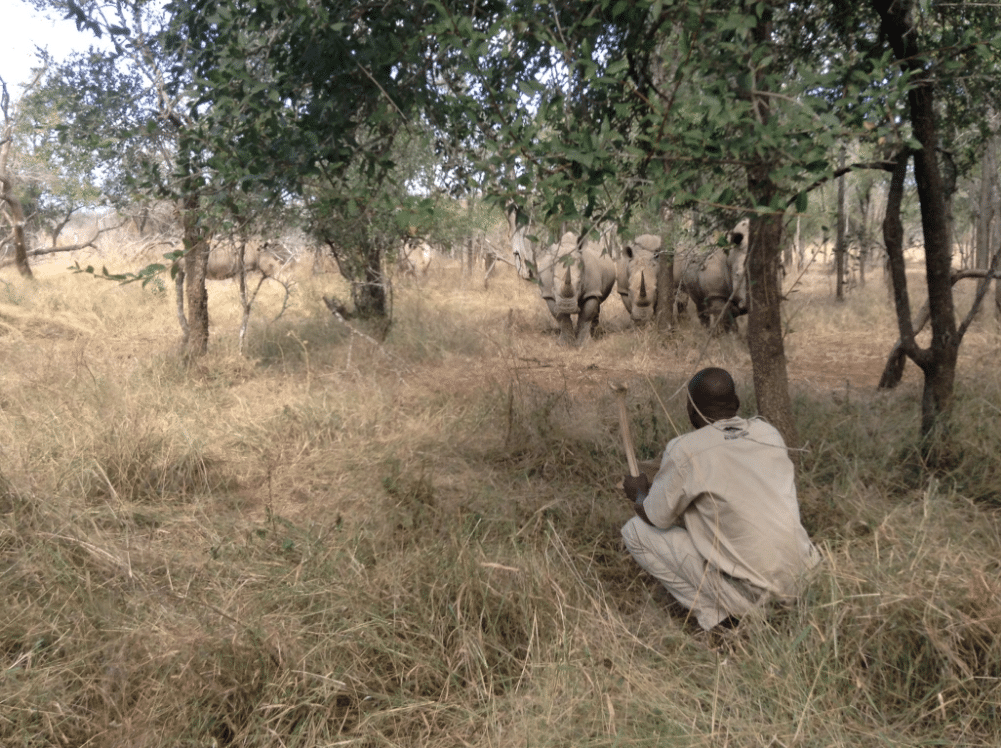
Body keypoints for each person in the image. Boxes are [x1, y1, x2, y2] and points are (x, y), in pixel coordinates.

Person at [621, 367, 820, 631]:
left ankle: (721, 624)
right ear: (736, 404)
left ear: (692, 413)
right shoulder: (768, 433)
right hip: (805, 581)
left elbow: (656, 517)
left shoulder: (686, 449)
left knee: (636, 531)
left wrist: (639, 494)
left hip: (754, 595)